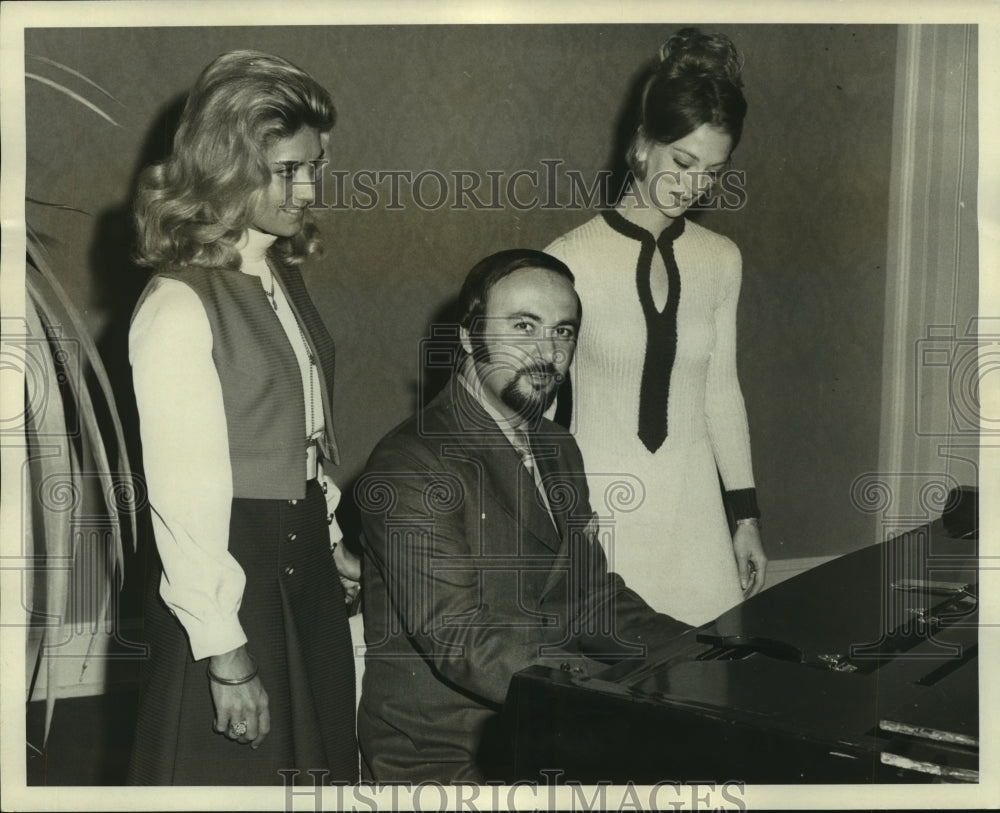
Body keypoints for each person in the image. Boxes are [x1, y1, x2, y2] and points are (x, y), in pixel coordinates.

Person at [356, 249, 692, 782]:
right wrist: (617, 691)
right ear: (468, 336)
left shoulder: (557, 446)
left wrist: (701, 658)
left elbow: (592, 597)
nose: (547, 352)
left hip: (547, 731)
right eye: (523, 326)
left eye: (563, 332)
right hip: (451, 758)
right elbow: (462, 639)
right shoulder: (412, 462)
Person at [126, 50, 359, 785]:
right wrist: (225, 654)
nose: (309, 187)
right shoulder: (177, 305)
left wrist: (329, 539)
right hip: (233, 576)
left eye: (314, 165)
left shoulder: (279, 277)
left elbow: (307, 439)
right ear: (226, 166)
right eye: (287, 169)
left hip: (301, 568)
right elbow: (184, 499)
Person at [544, 28, 767, 625]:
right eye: (684, 161)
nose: (695, 185)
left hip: (694, 516)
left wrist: (744, 518)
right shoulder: (567, 260)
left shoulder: (721, 258)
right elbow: (537, 411)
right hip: (601, 517)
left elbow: (721, 392)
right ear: (643, 144)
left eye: (714, 172)